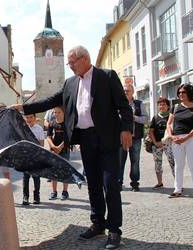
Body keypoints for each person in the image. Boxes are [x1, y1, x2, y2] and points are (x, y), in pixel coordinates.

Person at [10, 45, 133, 249]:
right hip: (84, 138)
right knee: (92, 183)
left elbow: (123, 105)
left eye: (72, 62)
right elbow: (49, 101)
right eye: (69, 63)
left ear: (85, 59)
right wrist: (23, 107)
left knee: (110, 184)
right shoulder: (70, 83)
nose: (70, 66)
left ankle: (114, 230)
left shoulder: (107, 76)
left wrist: (126, 129)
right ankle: (98, 223)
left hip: (107, 138)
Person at [166, 84, 193, 201]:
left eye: (183, 92)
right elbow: (169, 123)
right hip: (176, 139)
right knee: (178, 166)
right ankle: (177, 190)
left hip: (192, 139)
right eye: (179, 92)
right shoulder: (176, 107)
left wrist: (186, 137)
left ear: (190, 93)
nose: (181, 94)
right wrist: (171, 136)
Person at [119, 84, 148, 191]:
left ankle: (135, 183)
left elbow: (145, 119)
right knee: (120, 161)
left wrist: (134, 117)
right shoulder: (119, 104)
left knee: (135, 161)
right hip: (121, 137)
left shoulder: (139, 104)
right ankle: (119, 182)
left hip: (135, 137)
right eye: (125, 90)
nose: (126, 92)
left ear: (133, 92)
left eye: (128, 90)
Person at [149, 97, 175, 189]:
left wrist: (165, 141)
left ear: (168, 106)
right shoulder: (155, 117)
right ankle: (159, 183)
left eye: (164, 104)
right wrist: (155, 142)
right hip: (157, 145)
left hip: (169, 143)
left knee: (173, 163)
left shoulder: (171, 117)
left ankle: (177, 184)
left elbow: (173, 130)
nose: (161, 106)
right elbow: (151, 131)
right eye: (160, 104)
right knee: (158, 164)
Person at [46, 106, 70, 200]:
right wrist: (53, 146)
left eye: (59, 112)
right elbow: (48, 136)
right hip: (54, 150)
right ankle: (54, 191)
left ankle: (65, 191)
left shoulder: (67, 124)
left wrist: (60, 147)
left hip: (64, 150)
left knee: (65, 170)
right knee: (53, 171)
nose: (57, 114)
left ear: (63, 113)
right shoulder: (52, 124)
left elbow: (69, 137)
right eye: (55, 112)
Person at [22, 113, 45, 205]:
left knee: (36, 177)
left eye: (31, 117)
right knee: (26, 177)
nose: (29, 119)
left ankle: (36, 197)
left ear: (35, 118)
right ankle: (25, 197)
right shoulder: (23, 129)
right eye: (27, 117)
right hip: (25, 157)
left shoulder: (39, 129)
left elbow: (42, 144)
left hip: (36, 156)